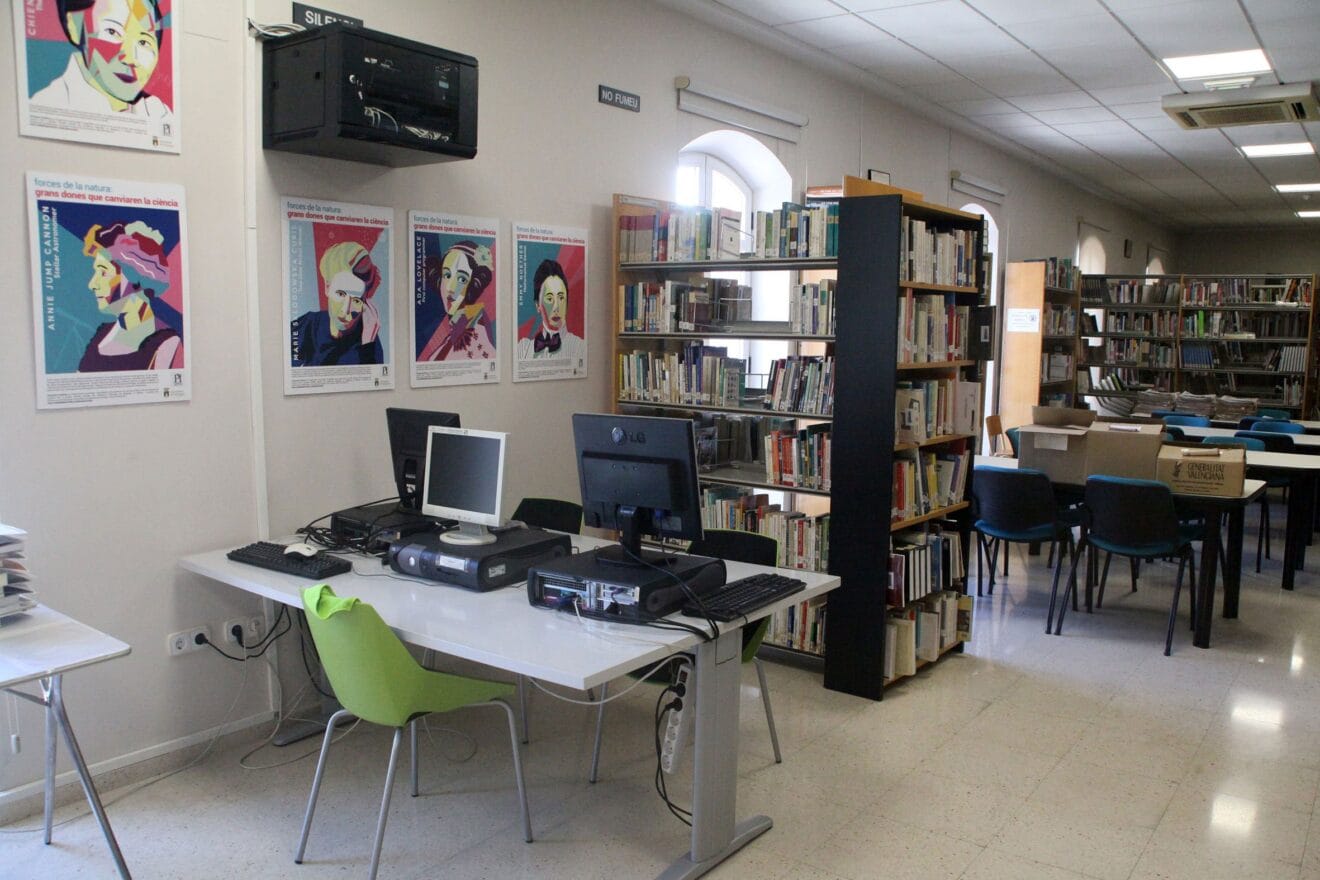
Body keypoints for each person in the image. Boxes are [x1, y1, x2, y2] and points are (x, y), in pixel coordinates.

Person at [32, 0, 175, 123]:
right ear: (75, 26)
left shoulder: (159, 113)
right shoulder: (50, 102)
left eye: (144, 42)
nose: (130, 58)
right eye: (112, 32)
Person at [78, 219, 183, 372]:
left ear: (134, 275)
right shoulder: (100, 334)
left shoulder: (165, 343)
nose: (92, 284)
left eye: (103, 272)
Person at [291, 241, 383, 366]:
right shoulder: (308, 325)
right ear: (327, 287)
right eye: (340, 294)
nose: (345, 311)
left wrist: (367, 346)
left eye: (356, 300)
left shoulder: (369, 345)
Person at [418, 241, 495, 361]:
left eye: (461, 279)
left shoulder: (474, 330)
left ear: (473, 284)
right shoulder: (456, 327)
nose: (451, 288)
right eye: (447, 275)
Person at [516, 258, 584, 364]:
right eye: (550, 299)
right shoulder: (523, 349)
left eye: (561, 298)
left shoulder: (580, 348)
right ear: (538, 304)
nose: (556, 306)